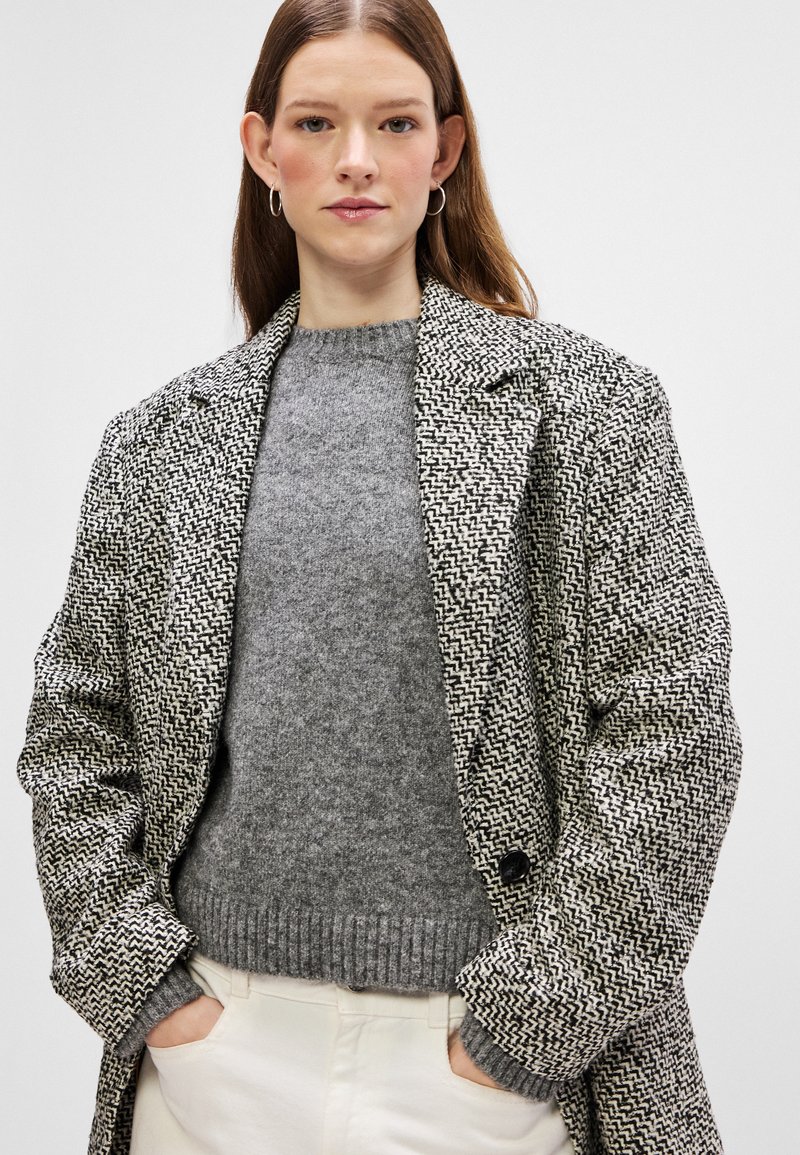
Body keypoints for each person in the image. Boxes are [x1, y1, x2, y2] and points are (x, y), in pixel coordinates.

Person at [15, 1, 742, 1153]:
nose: (355, 159)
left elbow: (673, 732)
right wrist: (154, 999)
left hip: (494, 1074)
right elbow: (76, 733)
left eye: (394, 123)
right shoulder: (159, 440)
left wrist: (518, 1036)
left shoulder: (587, 408)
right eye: (316, 122)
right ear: (262, 148)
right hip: (211, 1069)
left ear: (442, 150)